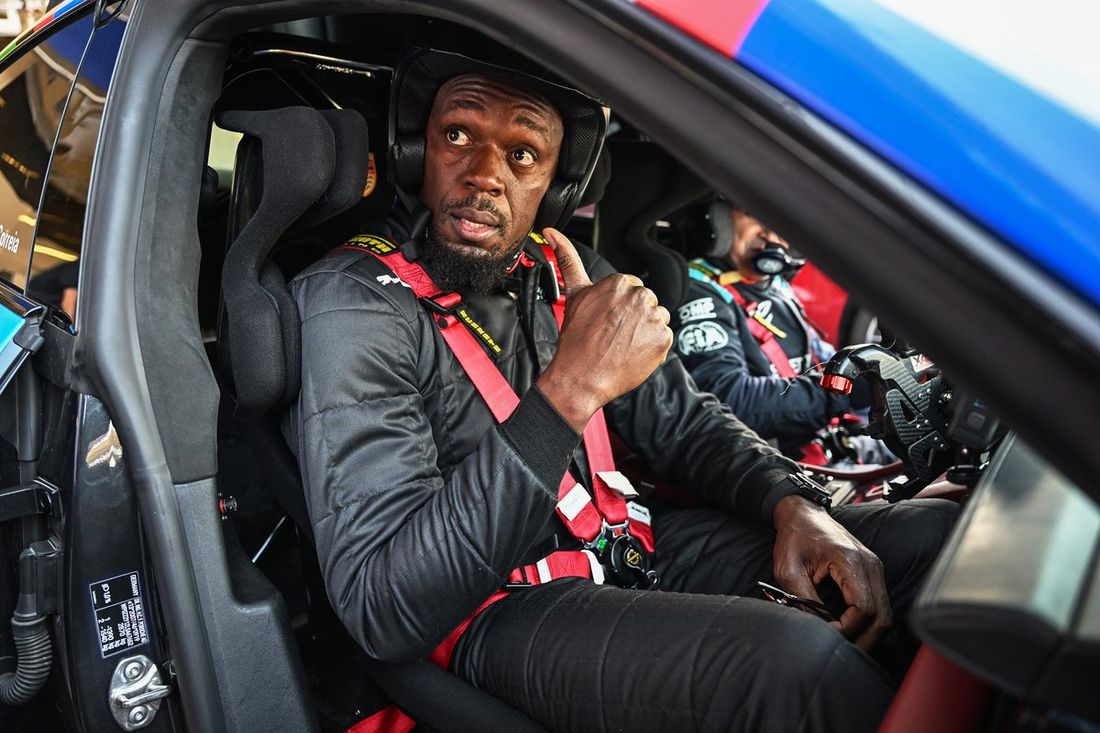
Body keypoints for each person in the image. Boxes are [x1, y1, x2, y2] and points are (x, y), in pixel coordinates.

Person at [286, 48, 957, 733]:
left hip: (629, 544)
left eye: (523, 153)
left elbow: (685, 423)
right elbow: (384, 604)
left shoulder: (562, 268)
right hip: (491, 607)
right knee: (800, 667)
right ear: (413, 150)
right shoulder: (354, 305)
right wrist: (569, 389)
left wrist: (789, 501)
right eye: (457, 135)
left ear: (557, 182)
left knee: (929, 545)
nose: (484, 174)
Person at [673, 198, 873, 460]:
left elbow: (815, 355)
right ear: (720, 220)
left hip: (823, 442)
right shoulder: (699, 293)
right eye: (754, 214)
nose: (769, 233)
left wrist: (866, 371)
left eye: (778, 220)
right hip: (765, 459)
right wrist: (841, 392)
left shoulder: (776, 285)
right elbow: (729, 399)